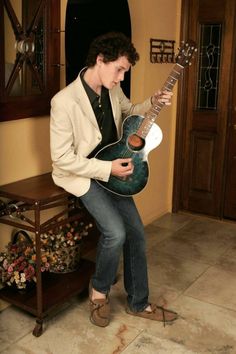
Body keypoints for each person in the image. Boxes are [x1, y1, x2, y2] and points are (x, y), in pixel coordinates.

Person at [50, 32, 178, 327]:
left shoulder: (111, 89)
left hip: (114, 169)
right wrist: (107, 170)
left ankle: (138, 302)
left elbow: (131, 112)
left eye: (124, 71)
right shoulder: (64, 102)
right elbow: (62, 159)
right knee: (115, 233)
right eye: (119, 69)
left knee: (137, 234)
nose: (121, 78)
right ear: (100, 60)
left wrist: (153, 101)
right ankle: (99, 292)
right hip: (83, 175)